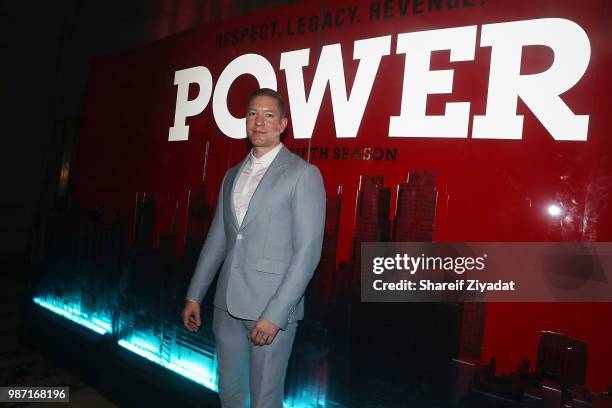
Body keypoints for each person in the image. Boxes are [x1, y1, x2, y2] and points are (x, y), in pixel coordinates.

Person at [181, 88, 326, 408]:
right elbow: (217, 240)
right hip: (225, 307)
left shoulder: (303, 174)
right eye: (252, 114)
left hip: (269, 311)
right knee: (230, 393)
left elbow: (308, 253)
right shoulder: (231, 176)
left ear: (283, 124)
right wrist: (195, 295)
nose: (259, 122)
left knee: (264, 400)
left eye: (269, 115)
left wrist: (275, 314)